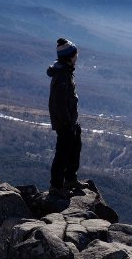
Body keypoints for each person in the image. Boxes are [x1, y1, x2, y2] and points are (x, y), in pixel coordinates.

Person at [47, 38, 85, 197]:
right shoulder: (62, 75)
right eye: (75, 55)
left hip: (70, 121)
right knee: (63, 153)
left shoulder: (65, 71)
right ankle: (56, 186)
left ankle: (70, 179)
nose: (77, 57)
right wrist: (67, 124)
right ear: (69, 56)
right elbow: (60, 103)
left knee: (74, 148)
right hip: (65, 123)